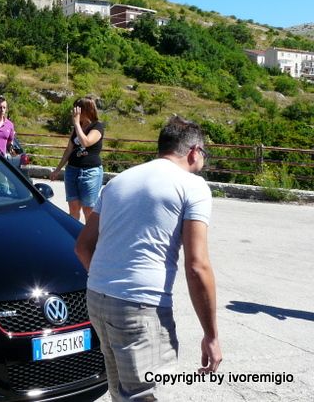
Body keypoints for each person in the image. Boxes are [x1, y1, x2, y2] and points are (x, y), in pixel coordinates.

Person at [75, 116, 221, 401]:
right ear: (194, 152)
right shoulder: (193, 186)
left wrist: (110, 280)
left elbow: (82, 246)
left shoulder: (118, 181)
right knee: (140, 395)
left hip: (97, 298)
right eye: (204, 154)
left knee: (121, 393)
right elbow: (197, 266)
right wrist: (211, 335)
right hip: (139, 305)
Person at [49, 97, 104, 222]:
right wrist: (57, 169)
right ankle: (75, 237)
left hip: (89, 173)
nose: (74, 112)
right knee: (73, 208)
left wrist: (76, 124)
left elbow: (86, 142)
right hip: (72, 170)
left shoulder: (97, 127)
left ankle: (91, 239)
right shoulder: (77, 127)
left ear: (85, 110)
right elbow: (69, 149)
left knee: (88, 210)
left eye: (77, 109)